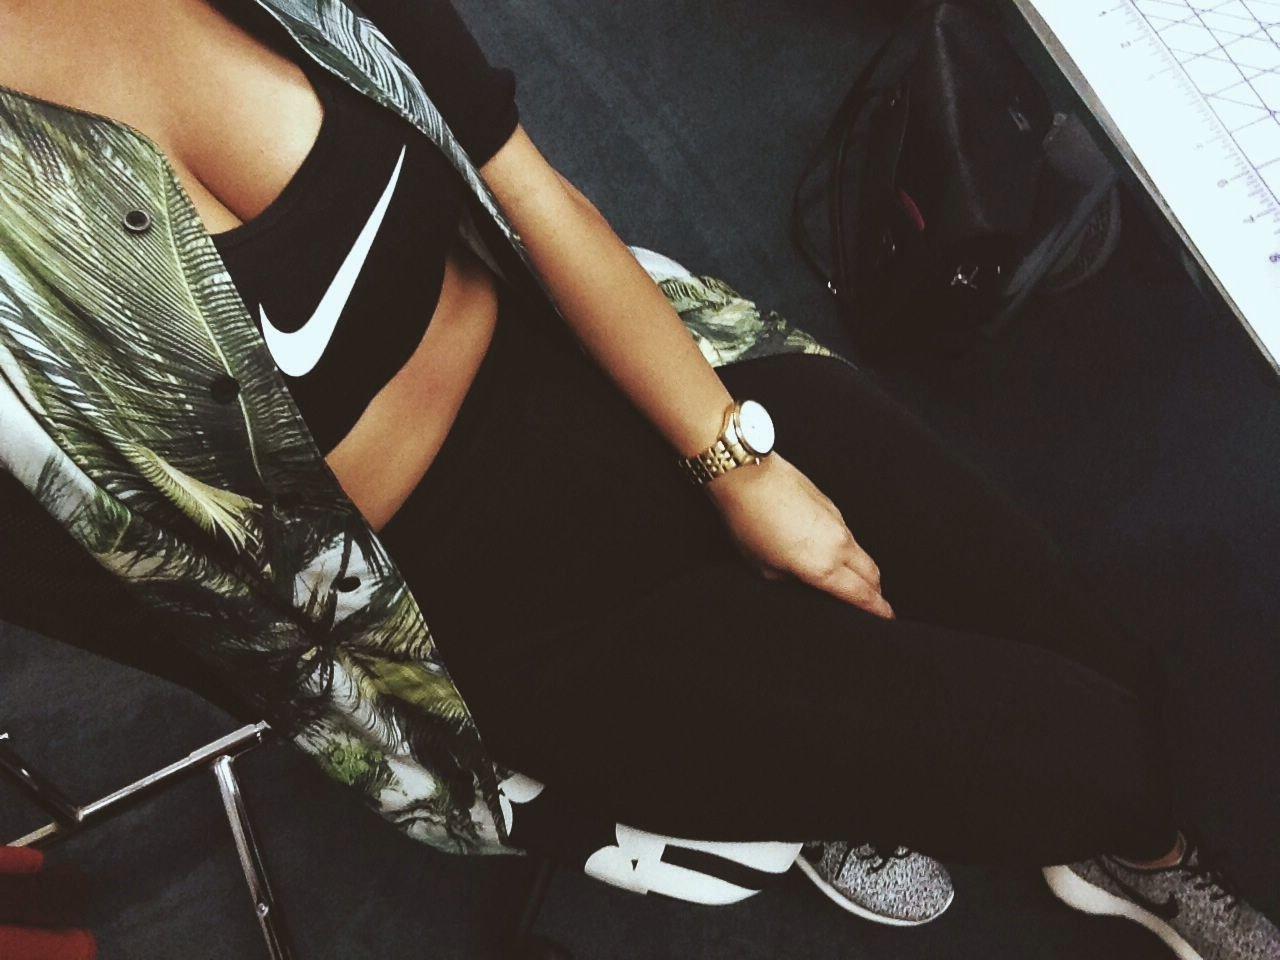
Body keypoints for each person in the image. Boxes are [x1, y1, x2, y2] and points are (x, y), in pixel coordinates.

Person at [0, 0, 1273, 956]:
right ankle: (1118, 838)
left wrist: (732, 463)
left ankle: (1027, 814)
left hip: (604, 372)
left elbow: (529, 189)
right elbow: (167, 609)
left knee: (1068, 633)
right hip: (471, 608)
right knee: (1097, 755)